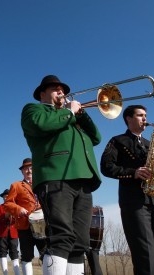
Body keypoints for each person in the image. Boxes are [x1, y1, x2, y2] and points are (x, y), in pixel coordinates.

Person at [21, 75, 102, 274]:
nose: (62, 93)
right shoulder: (34, 110)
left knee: (80, 242)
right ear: (42, 93)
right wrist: (69, 112)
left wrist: (81, 115)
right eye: (55, 89)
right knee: (62, 235)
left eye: (63, 90)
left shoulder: (71, 118)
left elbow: (96, 138)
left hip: (83, 179)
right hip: (55, 177)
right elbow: (42, 125)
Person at [100, 104, 154, 275]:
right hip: (134, 201)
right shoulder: (117, 141)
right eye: (140, 115)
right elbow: (106, 167)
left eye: (145, 116)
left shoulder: (151, 144)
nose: (145, 119)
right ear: (128, 118)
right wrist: (133, 172)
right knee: (144, 250)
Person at [3, 158, 46, 275]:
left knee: (46, 253)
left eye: (31, 168)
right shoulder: (16, 185)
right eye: (26, 168)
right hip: (24, 225)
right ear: (22, 171)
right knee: (26, 256)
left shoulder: (43, 183)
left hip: (42, 224)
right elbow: (7, 204)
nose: (29, 170)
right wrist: (18, 209)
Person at [0, 189, 21, 275]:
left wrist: (14, 216)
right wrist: (5, 216)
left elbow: (19, 219)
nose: (6, 197)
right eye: (5, 196)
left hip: (14, 233)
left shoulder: (16, 206)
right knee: (2, 253)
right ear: (3, 198)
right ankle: (5, 274)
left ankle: (17, 273)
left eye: (8, 196)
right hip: (2, 233)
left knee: (14, 252)